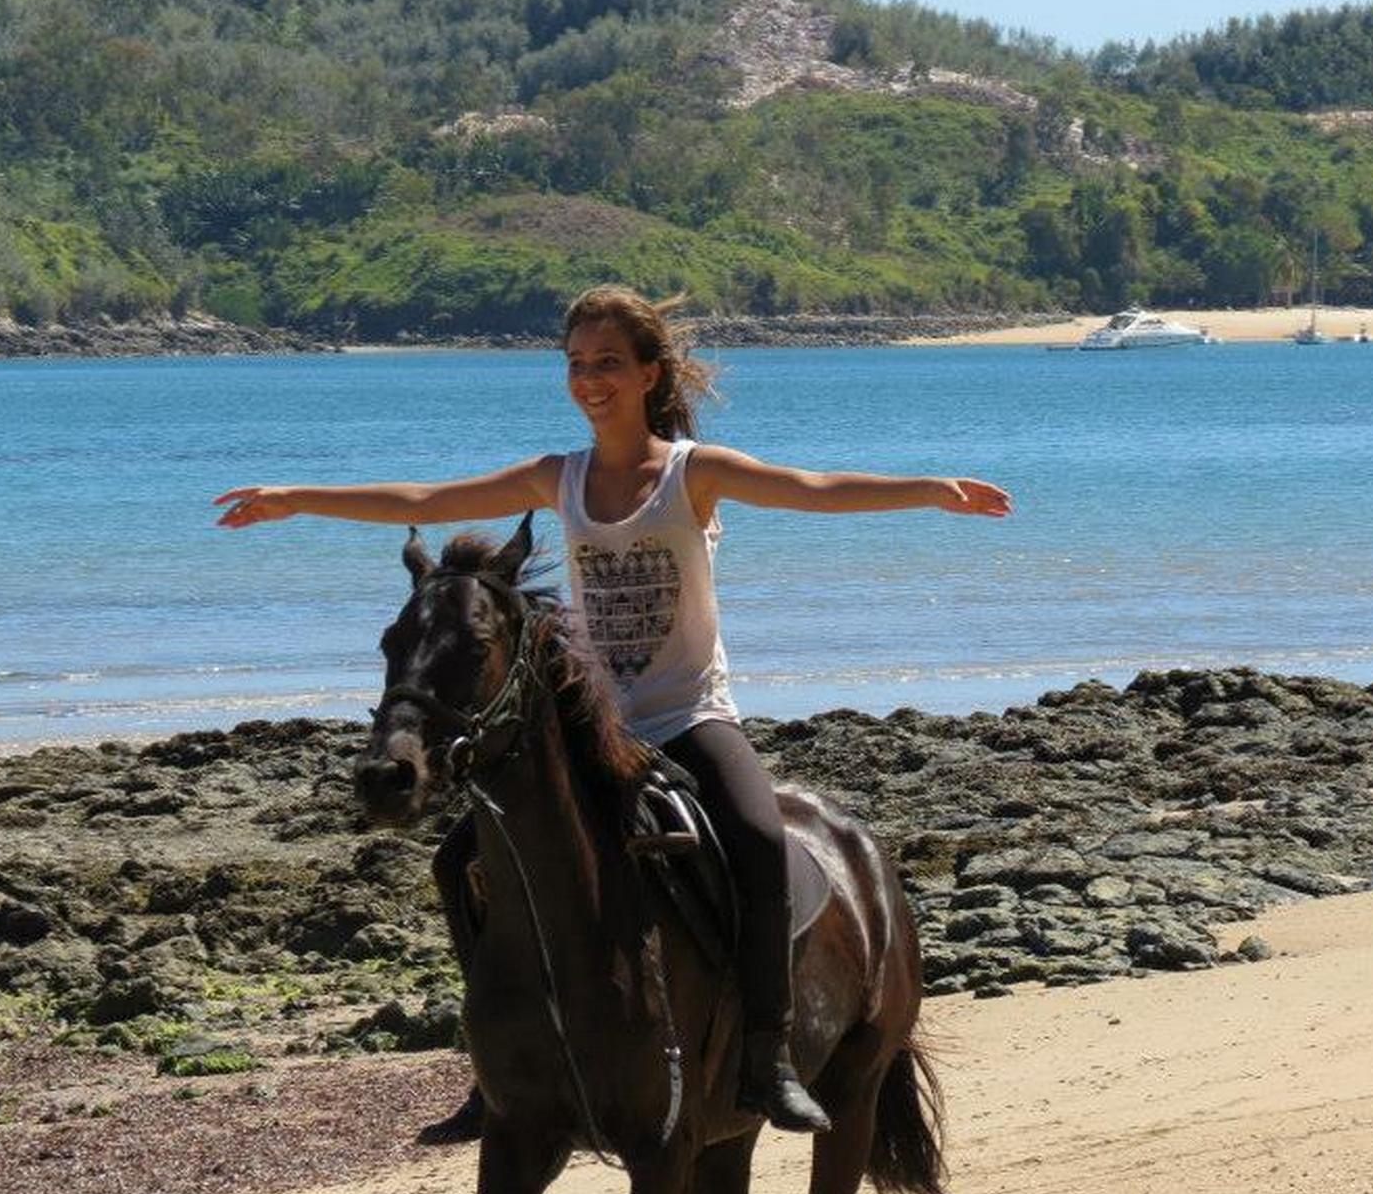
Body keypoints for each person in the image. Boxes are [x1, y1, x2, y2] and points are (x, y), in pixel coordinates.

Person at [215, 285, 1011, 1134]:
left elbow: (811, 486)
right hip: (595, 728)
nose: (589, 380)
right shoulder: (559, 478)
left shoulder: (691, 473)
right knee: (461, 859)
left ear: (647, 374)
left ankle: (766, 1056)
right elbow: (421, 503)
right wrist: (297, 498)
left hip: (691, 718)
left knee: (755, 836)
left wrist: (930, 489)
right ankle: (495, 1072)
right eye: (576, 365)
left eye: (606, 364)